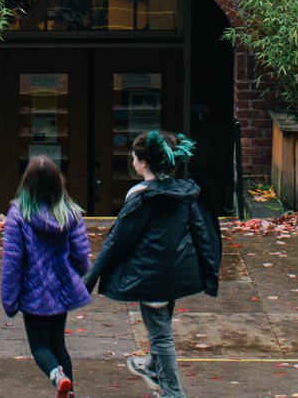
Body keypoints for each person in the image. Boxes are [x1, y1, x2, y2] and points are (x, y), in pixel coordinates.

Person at [86, 129, 221, 398]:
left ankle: (173, 393)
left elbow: (117, 241)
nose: (132, 160)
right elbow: (202, 235)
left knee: (161, 336)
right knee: (161, 327)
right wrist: (209, 273)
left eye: (134, 156)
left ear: (143, 162)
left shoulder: (141, 197)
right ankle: (150, 367)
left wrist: (88, 280)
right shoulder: (184, 194)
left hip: (150, 276)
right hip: (177, 274)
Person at [0, 154, 92, 397]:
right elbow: (81, 253)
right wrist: (82, 275)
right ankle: (70, 392)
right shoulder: (70, 213)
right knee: (59, 344)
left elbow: (12, 262)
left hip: (33, 291)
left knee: (40, 347)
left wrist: (9, 300)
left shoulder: (18, 214)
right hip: (61, 288)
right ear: (57, 181)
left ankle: (56, 375)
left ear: (27, 182)